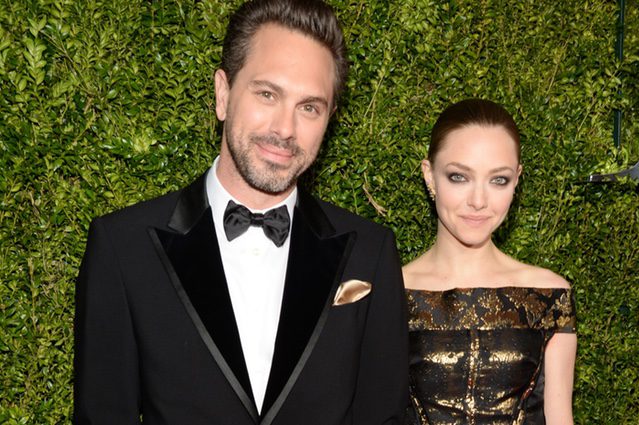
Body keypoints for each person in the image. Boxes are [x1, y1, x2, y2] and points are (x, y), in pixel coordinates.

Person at [73, 1, 408, 423]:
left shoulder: (371, 254)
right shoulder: (123, 248)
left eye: (309, 107)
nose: (285, 129)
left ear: (329, 120)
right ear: (223, 94)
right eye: (267, 94)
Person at [403, 99, 577, 425]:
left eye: (498, 180)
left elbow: (559, 418)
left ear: (517, 181)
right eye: (459, 177)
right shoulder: (390, 292)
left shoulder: (549, 296)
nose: (479, 201)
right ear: (430, 176)